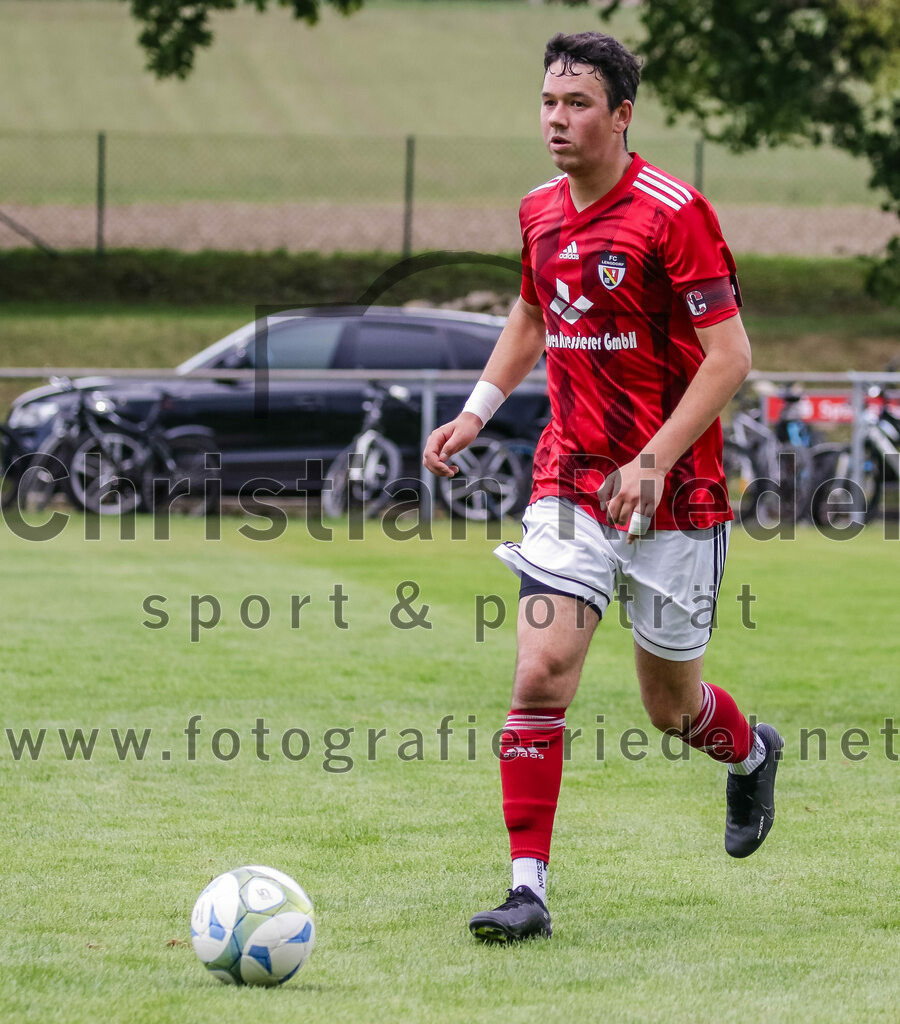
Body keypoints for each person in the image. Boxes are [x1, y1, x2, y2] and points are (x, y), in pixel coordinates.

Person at [423, 31, 783, 944]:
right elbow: (533, 312)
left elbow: (730, 357)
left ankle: (750, 753)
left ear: (621, 116)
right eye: (547, 102)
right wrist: (476, 408)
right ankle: (527, 891)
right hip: (571, 480)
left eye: (577, 103)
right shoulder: (539, 210)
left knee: (672, 710)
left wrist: (654, 459)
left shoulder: (675, 214)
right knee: (540, 674)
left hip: (677, 497)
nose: (556, 119)